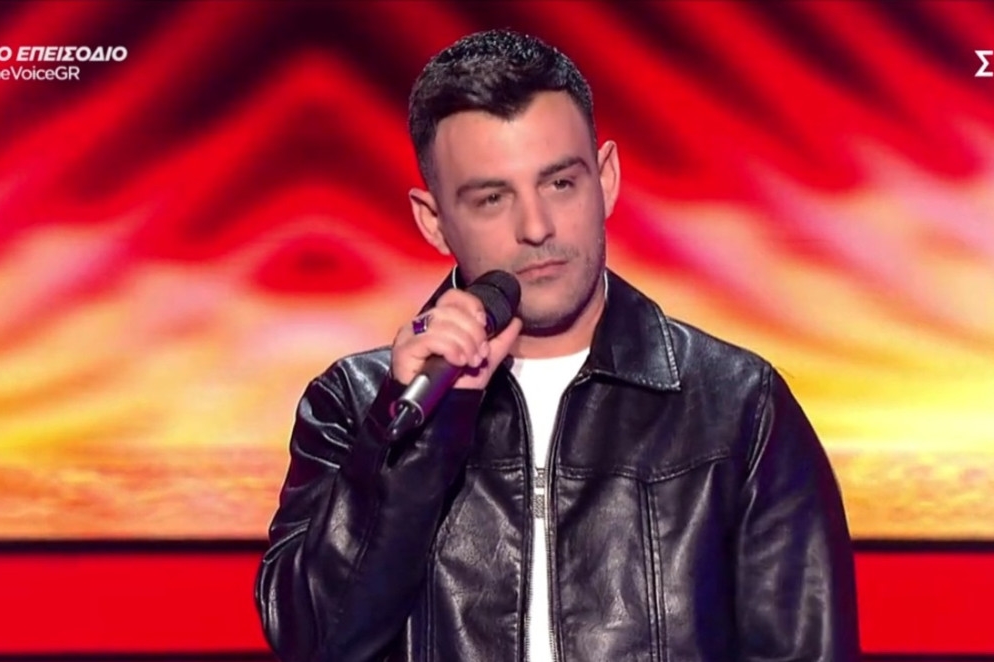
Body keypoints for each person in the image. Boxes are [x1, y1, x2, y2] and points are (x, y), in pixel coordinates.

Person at [255, 28, 860, 662]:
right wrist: (415, 438)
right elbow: (314, 643)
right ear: (434, 222)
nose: (537, 227)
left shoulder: (737, 406)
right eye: (492, 198)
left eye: (560, 184)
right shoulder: (356, 407)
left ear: (606, 179)